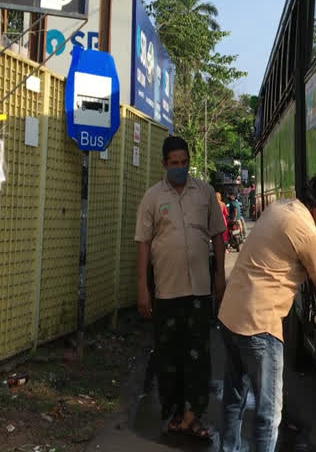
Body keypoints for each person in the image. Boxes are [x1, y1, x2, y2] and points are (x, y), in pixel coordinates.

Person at [217, 170, 316, 452]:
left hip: (231, 315)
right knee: (268, 413)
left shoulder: (281, 208)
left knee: (234, 398)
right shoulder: (308, 232)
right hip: (260, 325)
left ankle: (228, 448)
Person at [134, 136, 226, 440]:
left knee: (199, 357)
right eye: (174, 164)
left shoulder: (205, 193)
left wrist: (220, 277)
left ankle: (194, 416)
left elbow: (218, 236)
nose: (180, 168)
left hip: (199, 291)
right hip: (166, 292)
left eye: (184, 163)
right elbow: (144, 245)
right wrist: (143, 289)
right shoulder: (152, 198)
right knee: (169, 357)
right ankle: (174, 415)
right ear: (164, 164)